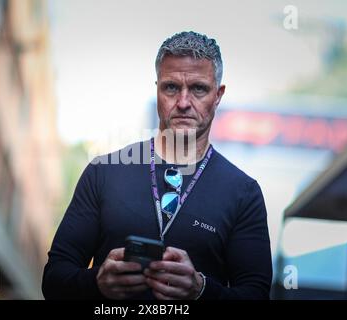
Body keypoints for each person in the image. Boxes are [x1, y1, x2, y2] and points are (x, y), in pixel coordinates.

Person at [42, 31, 272, 300]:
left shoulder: (244, 193)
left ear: (218, 95)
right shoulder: (103, 173)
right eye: (171, 87)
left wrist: (201, 290)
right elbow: (53, 281)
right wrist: (96, 282)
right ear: (158, 89)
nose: (184, 103)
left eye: (199, 88)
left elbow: (256, 295)